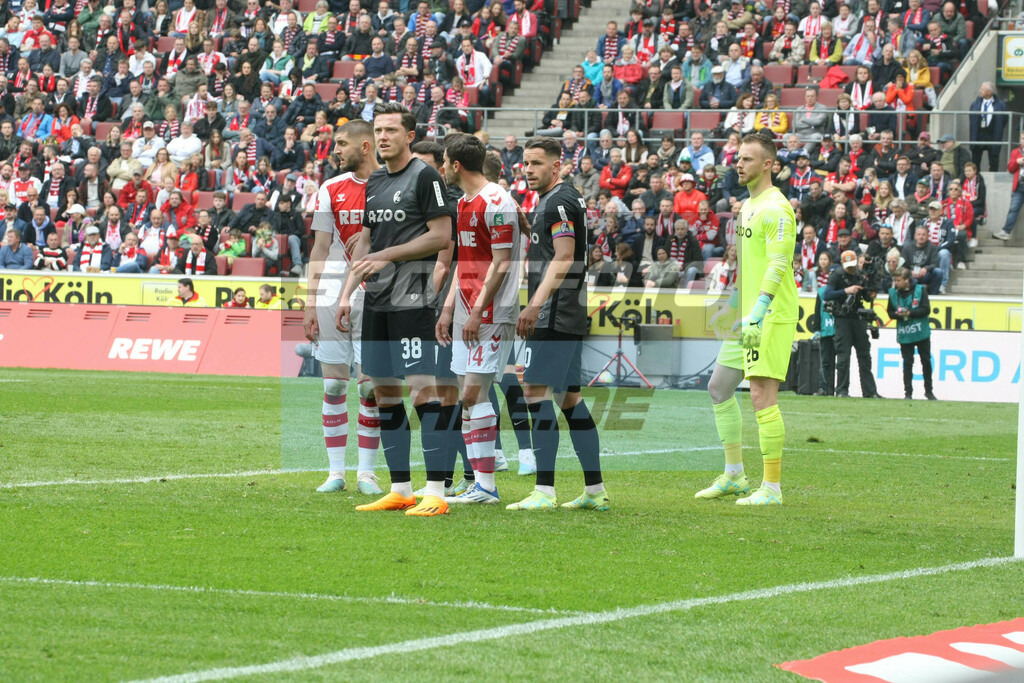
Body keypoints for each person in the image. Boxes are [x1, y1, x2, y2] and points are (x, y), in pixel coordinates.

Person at [333, 102, 451, 517]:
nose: (383, 137)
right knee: (383, 392)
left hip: (413, 297)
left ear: (409, 136)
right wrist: (348, 291)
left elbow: (440, 237)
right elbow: (364, 243)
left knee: (422, 389)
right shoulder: (377, 180)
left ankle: (435, 490)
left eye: (391, 131)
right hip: (378, 299)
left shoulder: (426, 177)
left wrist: (389, 255)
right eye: (379, 130)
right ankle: (401, 487)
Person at [504, 135, 607, 511]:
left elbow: (563, 258)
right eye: (525, 164)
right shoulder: (560, 199)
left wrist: (533, 305)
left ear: (556, 164)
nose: (528, 170)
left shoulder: (559, 201)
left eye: (536, 164)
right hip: (568, 310)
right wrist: (527, 225)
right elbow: (559, 246)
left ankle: (544, 491)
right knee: (569, 399)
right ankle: (594, 491)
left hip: (555, 313)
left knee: (534, 394)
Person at [696, 132, 796, 506]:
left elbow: (779, 263)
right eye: (738, 157)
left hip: (770, 316)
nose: (739, 163)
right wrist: (735, 303)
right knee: (719, 387)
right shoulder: (746, 208)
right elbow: (748, 267)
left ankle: (771, 488)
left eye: (748, 159)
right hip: (749, 314)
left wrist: (758, 310)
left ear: (768, 165)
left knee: (761, 396)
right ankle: (735, 475)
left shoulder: (777, 207)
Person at [433, 133, 521, 505]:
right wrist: (450, 306)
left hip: (493, 310)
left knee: (472, 393)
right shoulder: (465, 201)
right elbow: (466, 262)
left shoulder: (497, 201)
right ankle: (480, 484)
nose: (440, 168)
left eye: (443, 161)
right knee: (467, 396)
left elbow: (501, 263)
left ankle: (486, 485)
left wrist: (480, 310)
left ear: (456, 165)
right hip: (467, 307)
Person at [302, 120, 384, 496]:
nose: (335, 150)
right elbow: (319, 247)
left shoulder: (392, 186)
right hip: (332, 292)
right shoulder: (329, 189)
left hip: (380, 294)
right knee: (334, 384)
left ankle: (366, 473)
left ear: (365, 146)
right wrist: (310, 300)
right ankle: (336, 472)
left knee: (370, 389)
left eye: (341, 143)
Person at [823, 250, 881, 398]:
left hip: (858, 317)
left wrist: (870, 293)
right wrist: (846, 291)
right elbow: (827, 294)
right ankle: (842, 390)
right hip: (842, 318)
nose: (851, 268)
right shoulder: (837, 275)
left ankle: (870, 391)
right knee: (843, 356)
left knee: (864, 355)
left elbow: (866, 297)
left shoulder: (860, 275)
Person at [887, 267, 936, 401]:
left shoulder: (920, 290)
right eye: (895, 280)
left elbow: (926, 310)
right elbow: (889, 312)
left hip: (921, 332)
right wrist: (897, 315)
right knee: (907, 363)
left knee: (925, 362)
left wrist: (910, 313)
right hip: (905, 333)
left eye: (899, 280)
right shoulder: (892, 293)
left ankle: (929, 391)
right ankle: (908, 393)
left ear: (907, 280)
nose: (896, 283)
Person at [969, 81, 1007, 174]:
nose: (980, 91)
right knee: (975, 161)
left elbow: (1004, 120)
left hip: (993, 135)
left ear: (990, 92)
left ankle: (992, 182)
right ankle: (976, 181)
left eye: (982, 89)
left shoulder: (1000, 105)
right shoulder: (975, 104)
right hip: (978, 135)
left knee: (994, 161)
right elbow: (972, 119)